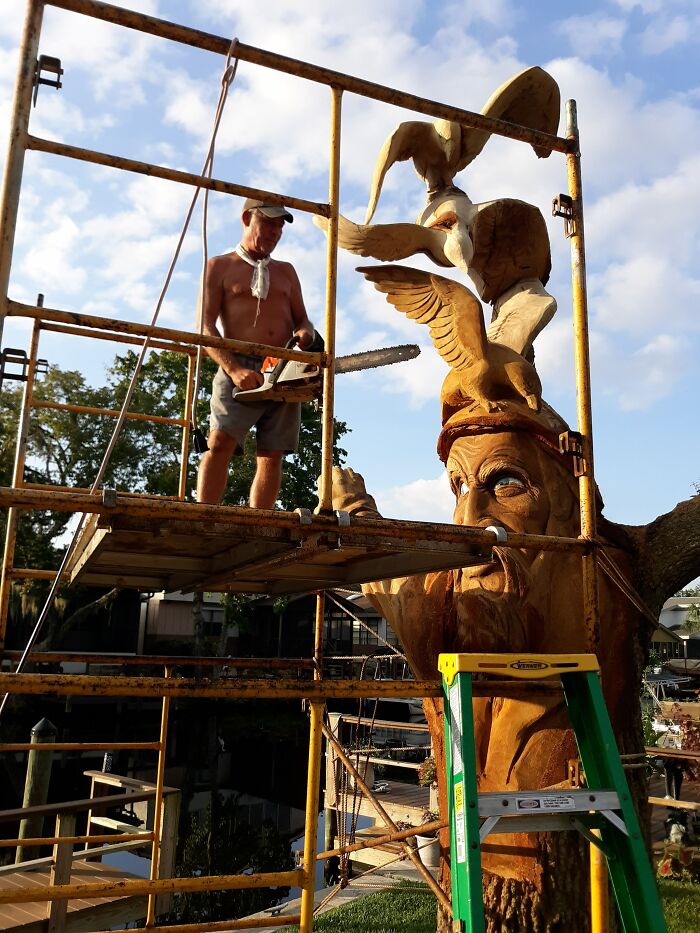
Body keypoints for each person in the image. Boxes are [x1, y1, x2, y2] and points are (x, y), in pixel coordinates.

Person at [196, 198, 314, 508]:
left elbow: (303, 319)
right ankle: (203, 516)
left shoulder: (287, 272)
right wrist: (234, 370)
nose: (276, 232)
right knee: (219, 442)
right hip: (238, 365)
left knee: (272, 454)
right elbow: (205, 327)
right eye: (269, 223)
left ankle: (258, 523)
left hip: (282, 366)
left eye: (280, 227)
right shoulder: (219, 266)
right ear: (247, 218)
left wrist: (306, 332)